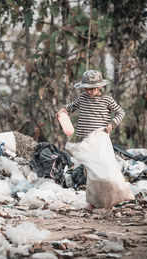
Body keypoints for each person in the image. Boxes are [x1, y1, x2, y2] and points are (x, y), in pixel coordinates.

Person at [56, 69, 125, 211]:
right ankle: (94, 203)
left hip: (100, 140)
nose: (89, 92)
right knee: (91, 172)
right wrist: (63, 111)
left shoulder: (107, 100)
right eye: (86, 89)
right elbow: (71, 107)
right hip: (85, 140)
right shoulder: (82, 98)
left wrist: (112, 124)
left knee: (104, 171)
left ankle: (111, 199)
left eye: (92, 89)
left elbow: (121, 112)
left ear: (100, 87)